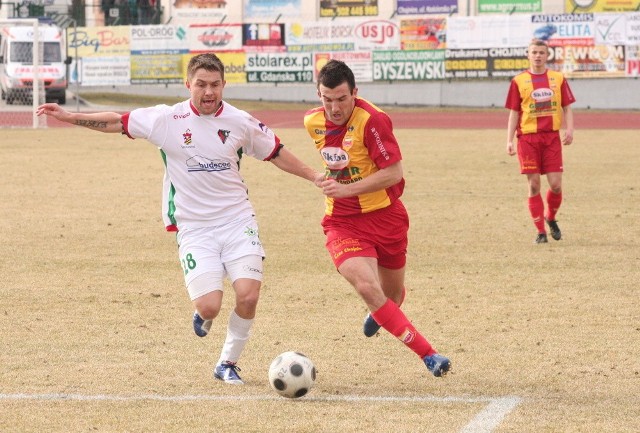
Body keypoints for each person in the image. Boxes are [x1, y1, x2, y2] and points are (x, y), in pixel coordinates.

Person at [37, 53, 321, 385]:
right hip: (194, 227)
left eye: (215, 85)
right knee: (211, 306)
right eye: (201, 84)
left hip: (236, 219)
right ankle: (203, 314)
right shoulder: (167, 119)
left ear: (223, 85)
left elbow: (276, 153)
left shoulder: (240, 122)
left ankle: (227, 363)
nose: (208, 92)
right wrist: (71, 116)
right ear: (189, 84)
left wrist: (315, 176)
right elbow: (119, 121)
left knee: (248, 294)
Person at [303, 59, 450, 378]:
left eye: (341, 98)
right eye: (326, 98)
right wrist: (334, 189)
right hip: (342, 222)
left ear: (355, 92)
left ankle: (383, 313)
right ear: (318, 95)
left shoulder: (373, 120)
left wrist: (348, 189)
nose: (334, 107)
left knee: (391, 296)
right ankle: (429, 355)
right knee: (368, 287)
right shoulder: (312, 122)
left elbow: (393, 173)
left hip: (387, 218)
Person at [505, 38, 576, 244]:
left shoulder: (558, 78)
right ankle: (541, 232)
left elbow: (567, 107)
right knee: (534, 185)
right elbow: (514, 113)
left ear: (547, 55)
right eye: (534, 52)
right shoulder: (518, 81)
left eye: (541, 53)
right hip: (527, 139)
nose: (537, 56)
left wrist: (569, 129)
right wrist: (509, 140)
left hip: (551, 138)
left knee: (555, 185)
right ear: (528, 55)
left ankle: (551, 217)